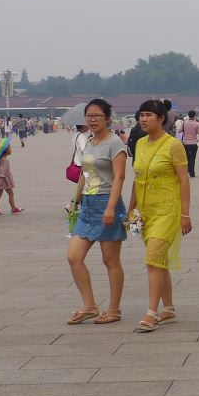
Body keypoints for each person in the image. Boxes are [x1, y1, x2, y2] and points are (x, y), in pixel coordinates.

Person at [126, 99, 190, 332]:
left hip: (167, 209)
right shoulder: (141, 144)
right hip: (145, 210)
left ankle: (151, 312)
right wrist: (130, 209)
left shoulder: (173, 145)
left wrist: (185, 214)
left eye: (149, 115)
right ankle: (169, 309)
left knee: (152, 259)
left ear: (161, 118)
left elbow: (184, 179)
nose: (143, 119)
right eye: (141, 114)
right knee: (158, 260)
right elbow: (137, 178)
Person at [66, 99, 128, 325]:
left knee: (110, 260)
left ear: (108, 118)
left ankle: (114, 309)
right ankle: (89, 305)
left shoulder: (115, 144)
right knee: (73, 256)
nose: (92, 120)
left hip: (107, 202)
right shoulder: (88, 142)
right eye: (89, 116)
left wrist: (111, 207)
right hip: (88, 206)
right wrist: (75, 200)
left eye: (97, 116)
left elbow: (119, 177)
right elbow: (84, 174)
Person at [0, 137, 22, 214]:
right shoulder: (4, 161)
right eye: (9, 148)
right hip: (3, 180)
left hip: (1, 179)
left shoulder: (1, 159)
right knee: (11, 194)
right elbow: (1, 172)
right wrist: (2, 181)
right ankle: (13, 209)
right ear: (6, 151)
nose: (11, 149)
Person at [181, 110, 199, 177]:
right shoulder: (197, 124)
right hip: (193, 143)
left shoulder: (184, 123)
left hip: (186, 143)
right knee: (193, 158)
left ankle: (187, 171)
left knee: (186, 158)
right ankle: (192, 173)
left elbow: (179, 130)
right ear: (194, 116)